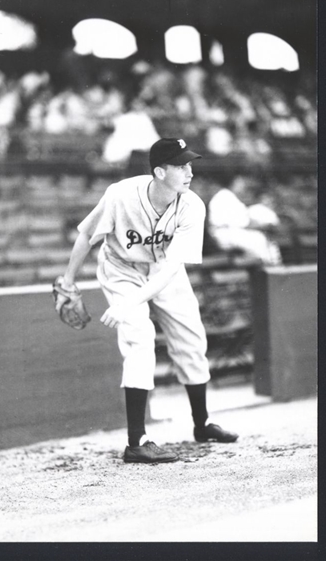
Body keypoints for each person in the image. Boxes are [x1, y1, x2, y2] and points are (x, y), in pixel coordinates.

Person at [55, 138, 239, 464]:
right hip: (121, 269)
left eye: (189, 164)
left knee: (191, 339)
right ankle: (137, 441)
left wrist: (129, 303)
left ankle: (203, 424)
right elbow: (87, 234)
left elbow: (170, 269)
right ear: (159, 171)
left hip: (164, 270)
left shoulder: (193, 205)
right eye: (180, 165)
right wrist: (68, 280)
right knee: (139, 338)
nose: (189, 171)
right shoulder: (120, 195)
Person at [207, 174, 282, 265]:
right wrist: (263, 225)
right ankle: (268, 268)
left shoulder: (229, 196)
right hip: (224, 234)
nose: (243, 185)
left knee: (265, 241)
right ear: (234, 182)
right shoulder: (225, 196)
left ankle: (272, 268)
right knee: (258, 239)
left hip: (230, 231)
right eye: (241, 182)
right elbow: (245, 223)